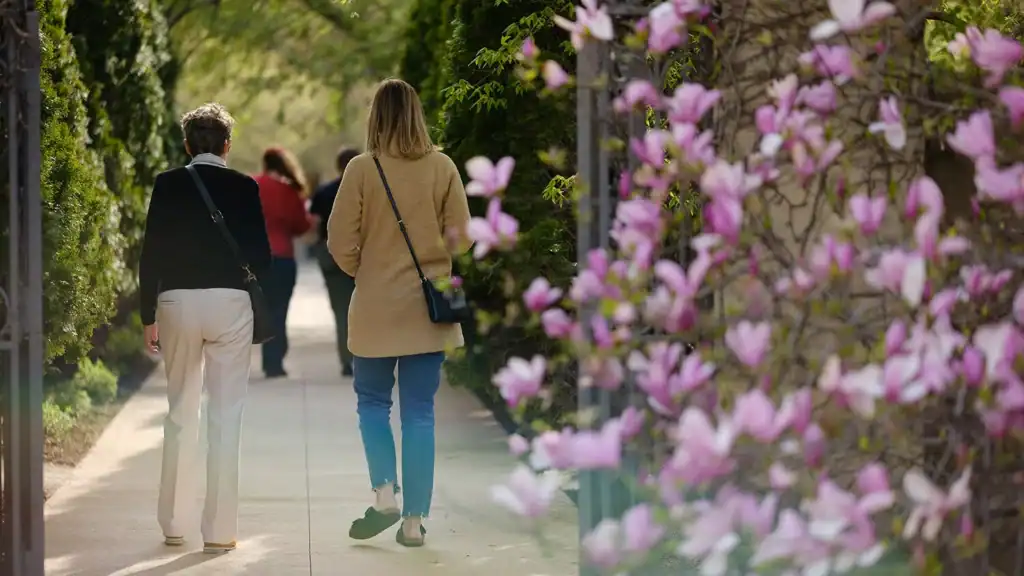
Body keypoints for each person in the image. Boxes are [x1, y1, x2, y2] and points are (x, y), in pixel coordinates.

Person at [327, 78, 471, 547]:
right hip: (429, 309)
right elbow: (462, 238)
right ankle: (413, 523)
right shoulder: (443, 167)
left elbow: (337, 240)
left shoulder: (361, 170)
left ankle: (385, 492)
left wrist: (364, 271)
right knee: (420, 413)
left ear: (376, 118)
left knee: (372, 402)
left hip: (373, 308)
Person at [139, 103, 271, 554]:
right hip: (231, 304)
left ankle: (174, 523)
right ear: (227, 146)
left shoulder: (167, 185)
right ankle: (218, 531)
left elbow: (150, 254)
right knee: (225, 415)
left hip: (176, 303)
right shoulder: (245, 186)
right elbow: (264, 258)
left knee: (180, 412)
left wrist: (146, 315)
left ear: (187, 145)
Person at [253, 147, 314, 378]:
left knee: (254, 309)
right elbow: (302, 226)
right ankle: (274, 361)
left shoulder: (251, 185)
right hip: (282, 258)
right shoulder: (288, 191)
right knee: (279, 311)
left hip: (255, 259)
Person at [309, 147, 360, 376]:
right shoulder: (368, 190)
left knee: (341, 311)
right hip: (363, 257)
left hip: (332, 257)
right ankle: (366, 357)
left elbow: (314, 222)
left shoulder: (325, 191)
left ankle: (347, 361)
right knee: (366, 310)